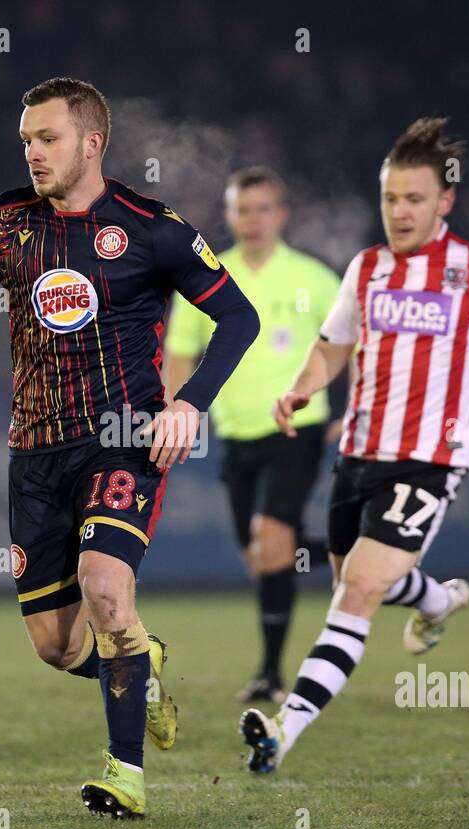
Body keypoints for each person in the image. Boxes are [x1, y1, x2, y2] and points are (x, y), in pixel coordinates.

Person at [0, 77, 259, 817]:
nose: (33, 152)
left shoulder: (153, 228)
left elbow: (238, 319)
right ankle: (144, 661)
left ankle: (126, 775)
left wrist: (189, 404)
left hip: (123, 443)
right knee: (55, 644)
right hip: (34, 454)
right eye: (25, 140)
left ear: (91, 142)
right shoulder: (6, 223)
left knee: (108, 588)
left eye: (46, 138)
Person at [240, 117, 469, 773]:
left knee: (358, 590)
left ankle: (283, 731)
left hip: (431, 458)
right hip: (360, 453)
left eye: (414, 199)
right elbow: (333, 344)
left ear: (445, 200)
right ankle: (440, 601)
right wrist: (303, 390)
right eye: (390, 199)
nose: (400, 212)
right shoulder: (366, 269)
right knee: (357, 584)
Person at [164, 167, 340, 705]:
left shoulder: (313, 277)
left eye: (264, 208)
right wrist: (173, 412)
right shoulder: (209, 276)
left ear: (282, 215)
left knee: (269, 537)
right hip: (236, 437)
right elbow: (179, 353)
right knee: (261, 556)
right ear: (229, 215)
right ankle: (346, 548)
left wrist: (351, 409)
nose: (254, 219)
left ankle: (269, 673)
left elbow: (353, 341)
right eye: (244, 209)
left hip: (296, 428)